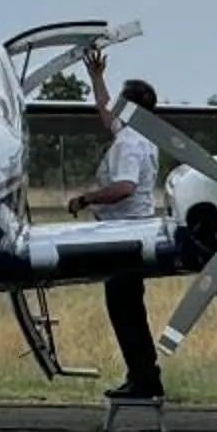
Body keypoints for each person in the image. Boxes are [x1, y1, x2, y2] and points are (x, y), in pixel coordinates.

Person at [68, 56, 163, 401]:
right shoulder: (140, 136)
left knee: (125, 311)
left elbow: (125, 186)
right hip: (134, 232)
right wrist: (97, 78)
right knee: (129, 309)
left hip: (123, 235)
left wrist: (86, 198)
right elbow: (107, 113)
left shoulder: (129, 143)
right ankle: (143, 375)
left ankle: (144, 378)